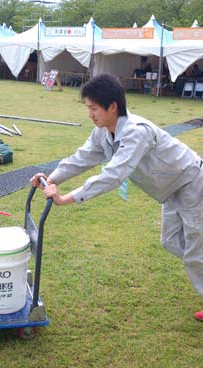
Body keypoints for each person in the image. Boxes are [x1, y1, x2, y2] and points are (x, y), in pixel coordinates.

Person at [31, 73, 203, 321]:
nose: (90, 114)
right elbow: (83, 157)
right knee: (171, 241)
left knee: (195, 250)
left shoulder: (136, 132)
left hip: (191, 184)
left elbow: (113, 175)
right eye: (87, 108)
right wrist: (52, 178)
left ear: (113, 107)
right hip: (169, 190)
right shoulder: (103, 131)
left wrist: (67, 198)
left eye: (94, 108)